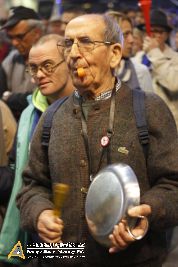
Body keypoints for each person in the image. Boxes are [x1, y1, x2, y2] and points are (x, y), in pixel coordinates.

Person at [17, 14, 178, 267]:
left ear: (114, 54)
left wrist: (147, 212)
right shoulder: (52, 116)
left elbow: (172, 185)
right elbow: (32, 186)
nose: (73, 54)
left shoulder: (148, 109)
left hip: (131, 260)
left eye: (85, 42)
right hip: (64, 258)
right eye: (68, 44)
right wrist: (39, 213)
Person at [0, 33, 74, 265]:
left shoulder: (86, 111)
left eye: (48, 66)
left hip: (72, 235)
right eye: (33, 68)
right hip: (31, 230)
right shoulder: (29, 113)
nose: (39, 75)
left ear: (70, 61)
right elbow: (18, 172)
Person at [0, 5, 45, 120]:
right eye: (11, 37)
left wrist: (10, 97)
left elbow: (45, 98)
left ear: (37, 33)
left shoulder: (53, 57)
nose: (14, 43)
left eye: (20, 37)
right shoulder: (10, 59)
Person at [143, 9, 178, 128]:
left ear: (167, 35)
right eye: (149, 30)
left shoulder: (175, 58)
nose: (152, 34)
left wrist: (154, 52)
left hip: (170, 125)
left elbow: (174, 84)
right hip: (145, 125)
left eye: (158, 31)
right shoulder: (137, 58)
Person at [107, 11, 153, 93]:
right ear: (110, 37)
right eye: (125, 34)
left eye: (131, 34)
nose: (131, 40)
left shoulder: (141, 72)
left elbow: (151, 105)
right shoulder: (94, 73)